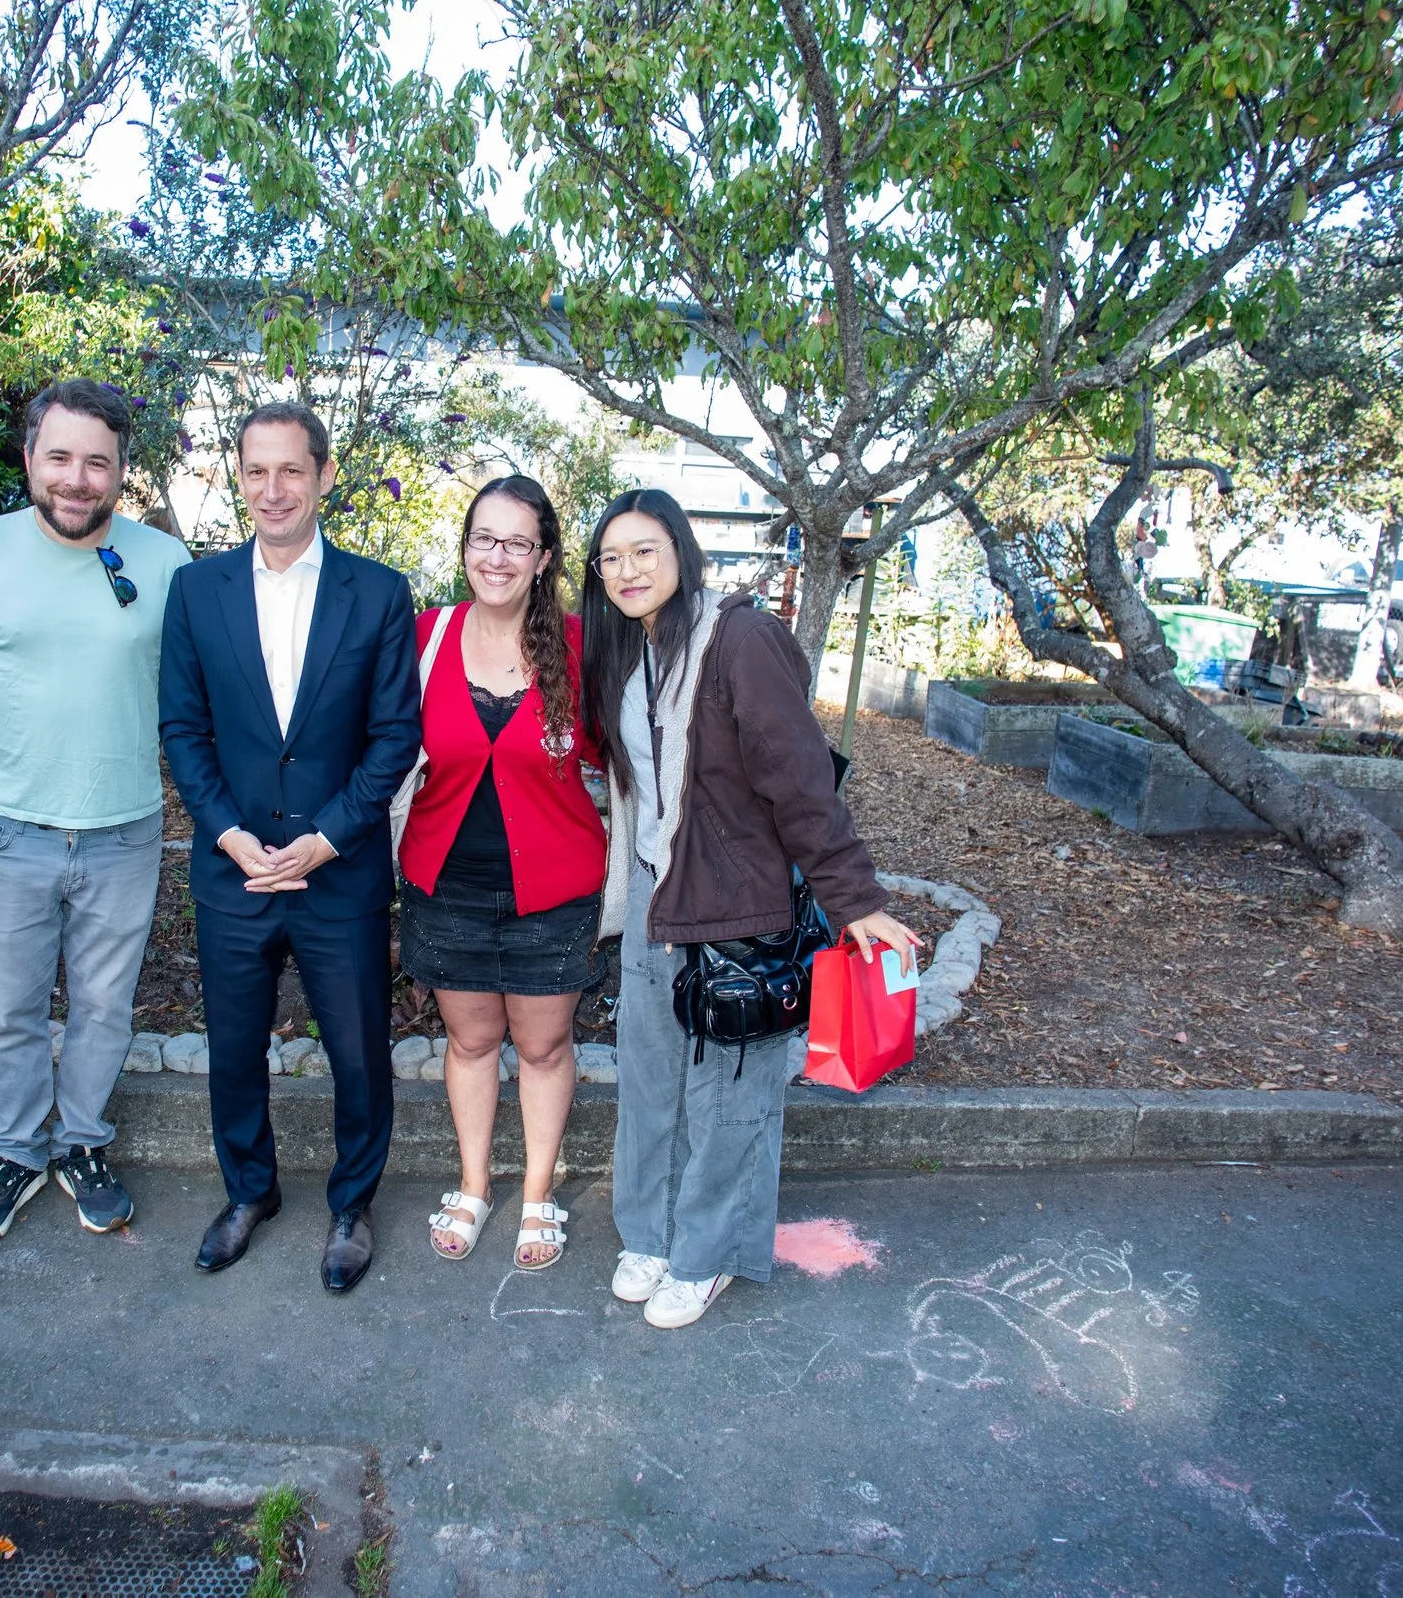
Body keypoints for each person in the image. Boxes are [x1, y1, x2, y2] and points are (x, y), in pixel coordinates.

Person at [580, 488, 923, 1329]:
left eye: (645, 551)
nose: (627, 570)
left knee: (731, 1101)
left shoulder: (741, 639)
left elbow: (800, 777)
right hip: (659, 908)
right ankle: (649, 1235)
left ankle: (708, 1255)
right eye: (611, 557)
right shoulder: (630, 650)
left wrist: (855, 897)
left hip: (738, 914)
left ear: (683, 553)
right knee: (650, 1087)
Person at [158, 401, 421, 1293]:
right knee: (234, 1051)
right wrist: (229, 835)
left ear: (324, 475)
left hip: (335, 873)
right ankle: (249, 1193)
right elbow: (182, 729)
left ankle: (352, 1204)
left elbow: (394, 737)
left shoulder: (379, 593)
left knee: (358, 1054)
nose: (273, 490)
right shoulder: (196, 590)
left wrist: (324, 838)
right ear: (239, 477)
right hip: (232, 872)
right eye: (256, 471)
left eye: (291, 471)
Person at [0, 379, 192, 1241]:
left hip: (126, 829)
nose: (77, 479)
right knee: (8, 1008)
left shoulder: (162, 563)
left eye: (97, 461)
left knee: (103, 1007)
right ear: (30, 460)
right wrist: (17, 749)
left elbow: (182, 692)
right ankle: (16, 1148)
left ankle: (81, 1141)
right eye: (60, 458)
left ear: (121, 471)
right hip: (11, 827)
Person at [396, 476, 605, 1270]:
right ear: (464, 545)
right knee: (472, 1039)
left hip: (552, 891)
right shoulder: (425, 636)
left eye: (519, 542)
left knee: (545, 1046)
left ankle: (540, 1191)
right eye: (485, 537)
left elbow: (624, 756)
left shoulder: (582, 649)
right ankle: (477, 1183)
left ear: (545, 556)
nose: (499, 555)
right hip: (445, 884)